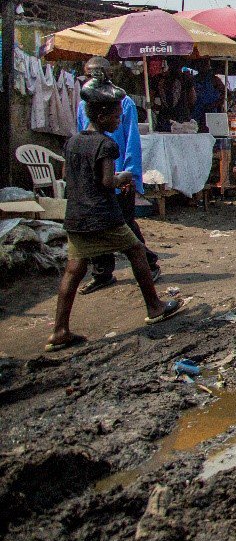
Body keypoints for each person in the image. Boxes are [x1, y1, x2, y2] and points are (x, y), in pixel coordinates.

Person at [47, 82, 180, 352]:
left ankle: (60, 330)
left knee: (74, 270)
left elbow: (66, 177)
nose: (120, 121)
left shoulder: (72, 142)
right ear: (102, 116)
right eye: (117, 116)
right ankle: (154, 307)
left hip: (75, 215)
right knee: (136, 251)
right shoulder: (106, 145)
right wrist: (125, 177)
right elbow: (108, 181)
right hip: (103, 214)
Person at [74, 56, 159, 294]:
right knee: (98, 225)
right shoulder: (84, 104)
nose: (93, 78)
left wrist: (129, 174)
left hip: (118, 172)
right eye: (90, 74)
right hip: (95, 175)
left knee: (124, 223)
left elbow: (131, 140)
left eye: (97, 73)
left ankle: (149, 262)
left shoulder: (124, 103)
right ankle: (102, 273)